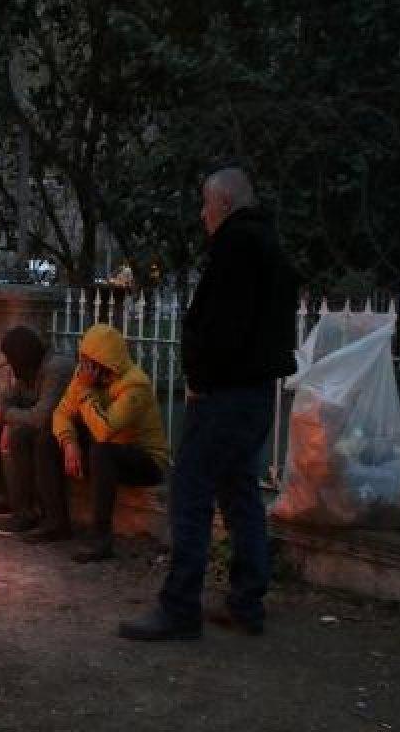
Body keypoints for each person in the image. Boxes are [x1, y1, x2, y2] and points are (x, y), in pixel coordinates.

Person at [119, 165, 299, 642]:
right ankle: (247, 601)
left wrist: (200, 379)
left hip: (224, 395)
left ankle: (179, 608)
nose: (202, 215)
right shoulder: (269, 246)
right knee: (240, 491)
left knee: (190, 493)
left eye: (205, 204)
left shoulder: (237, 247)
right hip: (254, 393)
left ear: (223, 203)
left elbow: (222, 326)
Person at [52, 323, 170, 561]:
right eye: (81, 359)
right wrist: (68, 443)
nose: (82, 365)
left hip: (145, 460)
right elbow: (61, 413)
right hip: (108, 452)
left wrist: (85, 392)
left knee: (102, 450)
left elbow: (104, 430)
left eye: (88, 360)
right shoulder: (85, 376)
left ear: (104, 362)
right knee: (51, 438)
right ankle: (54, 521)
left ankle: (101, 539)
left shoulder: (135, 385)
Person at [0, 326, 75, 538]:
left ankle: (27, 511)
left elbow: (42, 416)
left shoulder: (56, 369)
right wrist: (4, 418)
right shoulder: (28, 369)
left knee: (22, 437)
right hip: (38, 423)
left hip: (64, 429)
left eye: (11, 358)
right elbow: (10, 398)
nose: (10, 364)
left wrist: (6, 416)